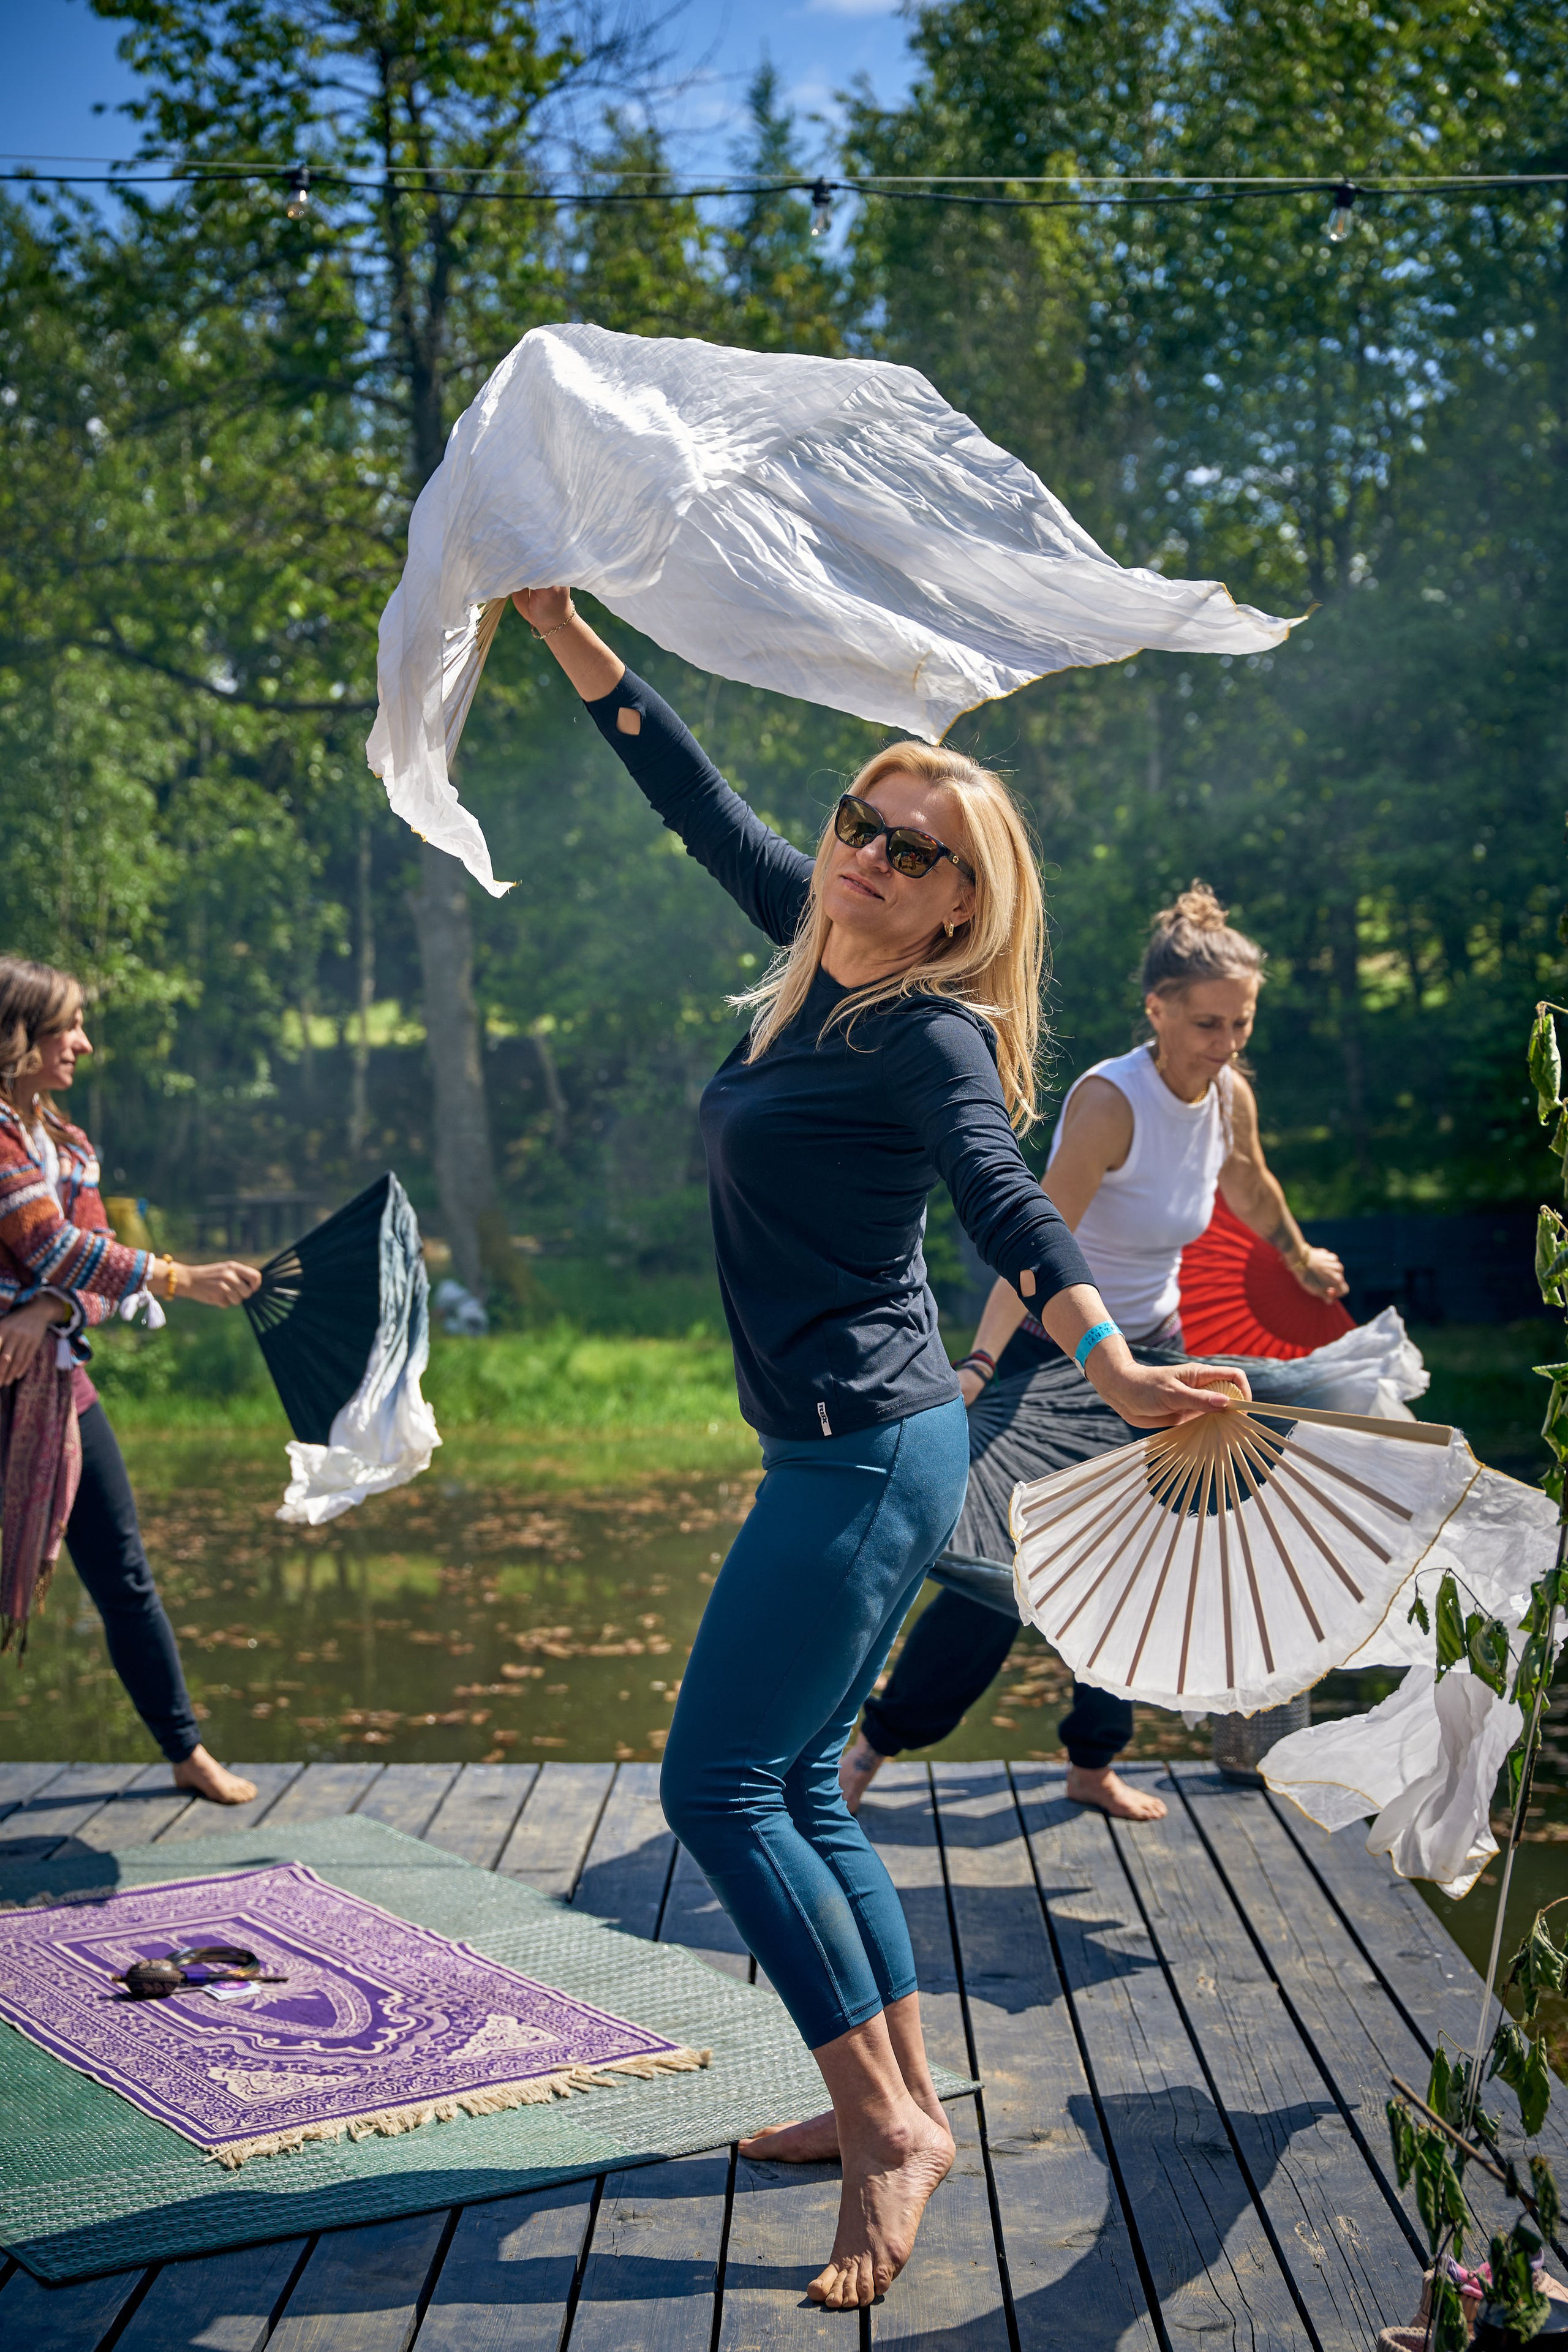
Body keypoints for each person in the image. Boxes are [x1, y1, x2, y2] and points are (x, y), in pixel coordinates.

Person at [513, 589, 1248, 2310]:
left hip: (865, 1454)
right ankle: (891, 2103)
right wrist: (557, 613)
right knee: (802, 1787)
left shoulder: (927, 1035)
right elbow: (684, 790)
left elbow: (1004, 1201)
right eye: (864, 824)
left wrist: (1115, 1359)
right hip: (852, 1444)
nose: (869, 858)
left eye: (916, 855)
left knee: (715, 1785)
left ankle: (885, 2129)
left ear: (965, 907)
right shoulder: (813, 952)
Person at [839, 883, 1348, 1824]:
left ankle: (1092, 1764)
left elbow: (1248, 1178)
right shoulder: (1113, 1102)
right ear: (1156, 1009)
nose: (1226, 1044)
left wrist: (1299, 1255)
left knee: (1129, 1564)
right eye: (1207, 1024)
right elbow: (1029, 1241)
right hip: (1050, 1357)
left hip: (1159, 1358)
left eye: (1240, 1025)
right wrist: (981, 1366)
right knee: (998, 1574)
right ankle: (874, 1745)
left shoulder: (1228, 1095)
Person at [0, 957, 262, 1803]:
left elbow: (92, 1278)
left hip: (61, 1390)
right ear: (19, 1038)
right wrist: (178, 1278)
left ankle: (185, 1752)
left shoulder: (70, 1147)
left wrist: (45, 1315)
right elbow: (55, 1249)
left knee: (123, 1573)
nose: (83, 1042)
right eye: (66, 1027)